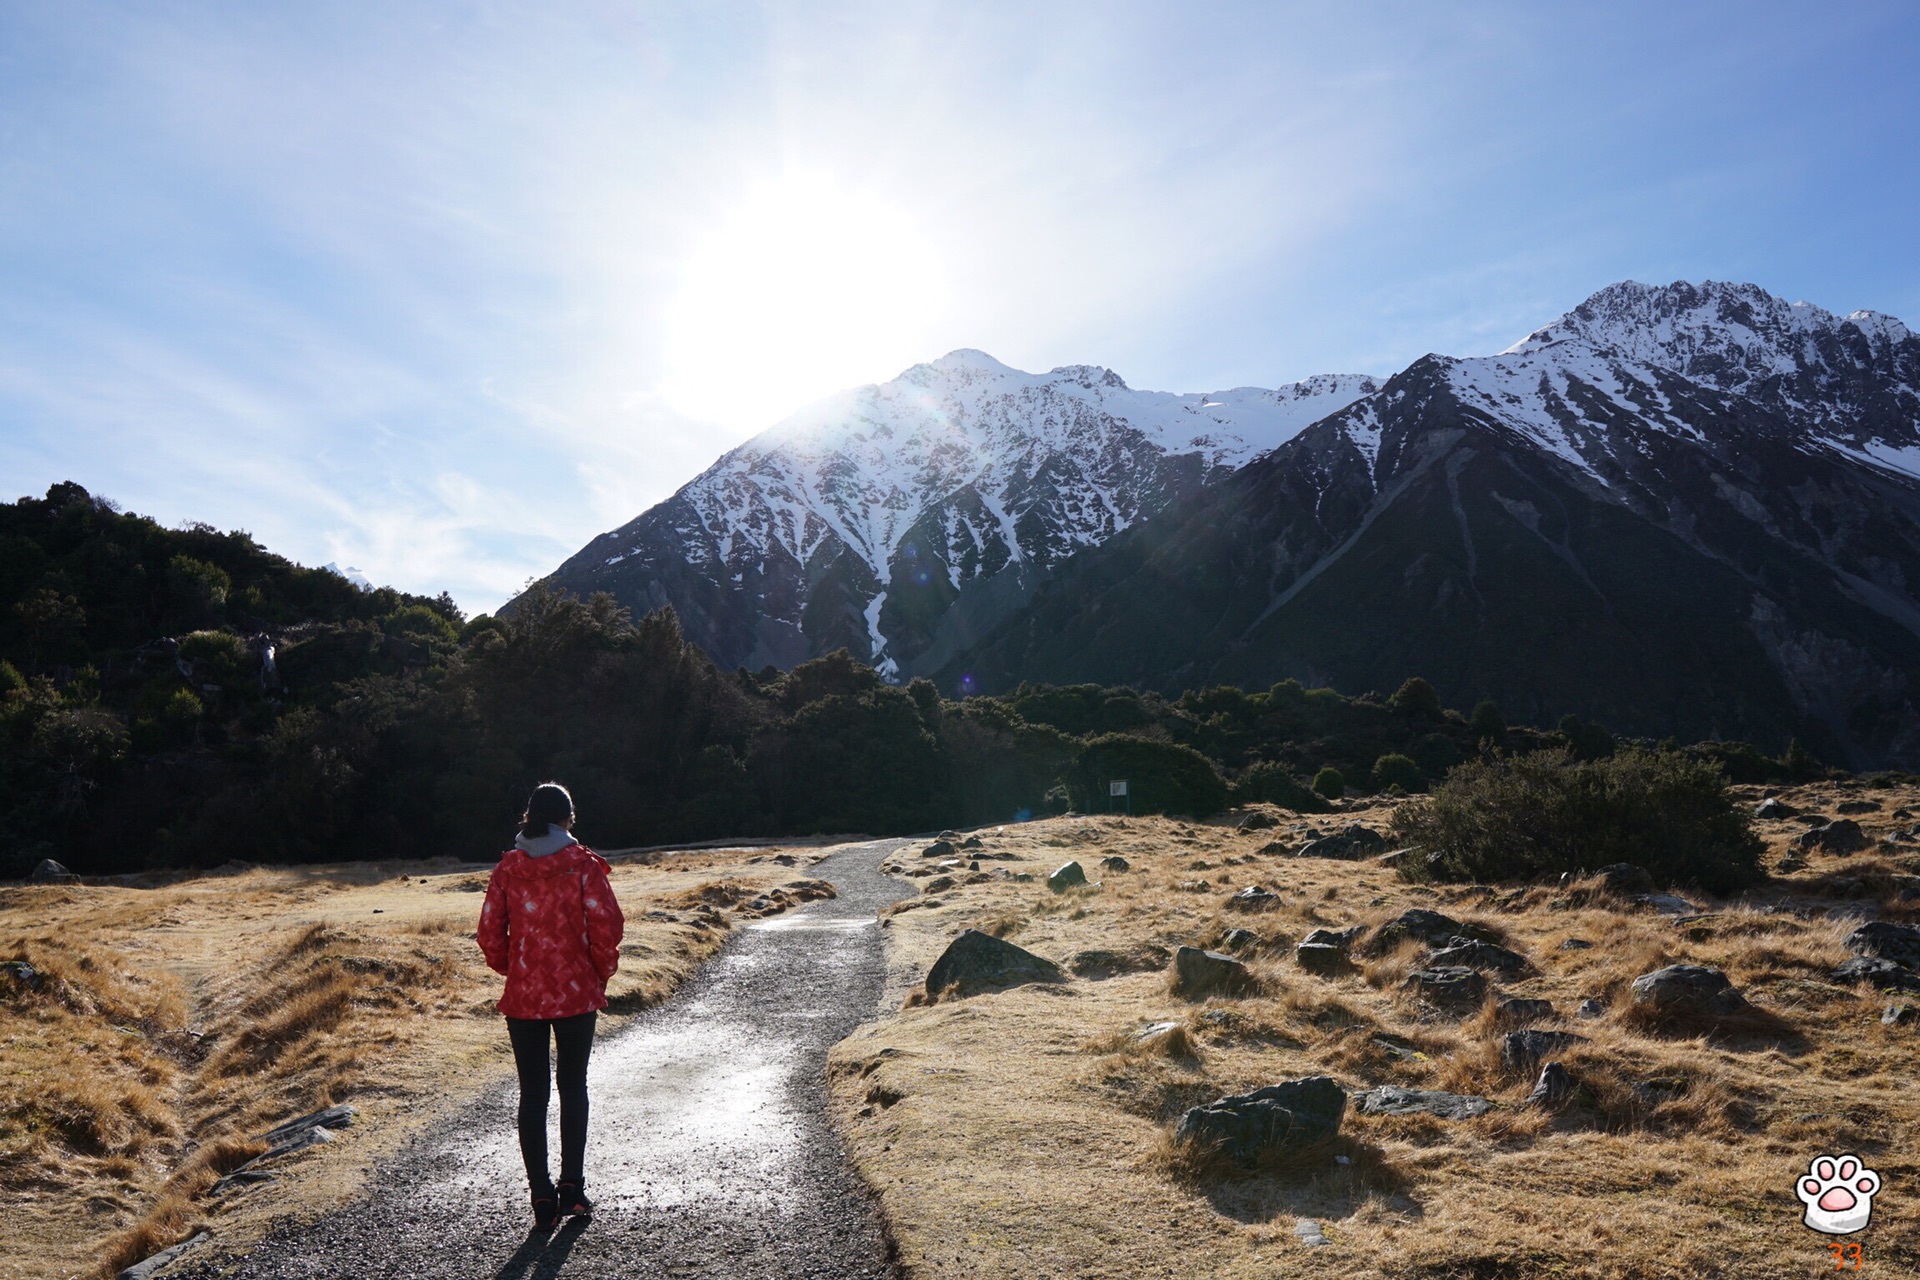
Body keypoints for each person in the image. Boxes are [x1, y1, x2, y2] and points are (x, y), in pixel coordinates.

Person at [477, 782, 625, 1231]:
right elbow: (607, 925)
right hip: (576, 992)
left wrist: (515, 969)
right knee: (572, 1086)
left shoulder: (507, 869)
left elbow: (488, 933)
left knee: (533, 1093)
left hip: (524, 997)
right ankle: (572, 1190)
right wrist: (601, 971)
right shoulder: (583, 865)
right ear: (568, 820)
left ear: (529, 818)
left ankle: (540, 1195)